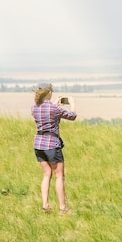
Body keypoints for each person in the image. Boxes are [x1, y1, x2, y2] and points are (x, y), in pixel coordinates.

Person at [31, 83, 77, 214]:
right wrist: (72, 103)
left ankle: (45, 205)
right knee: (59, 176)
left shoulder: (34, 108)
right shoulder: (54, 108)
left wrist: (55, 103)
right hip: (52, 144)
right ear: (50, 93)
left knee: (46, 175)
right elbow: (72, 116)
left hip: (38, 144)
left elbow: (47, 111)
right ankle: (63, 208)